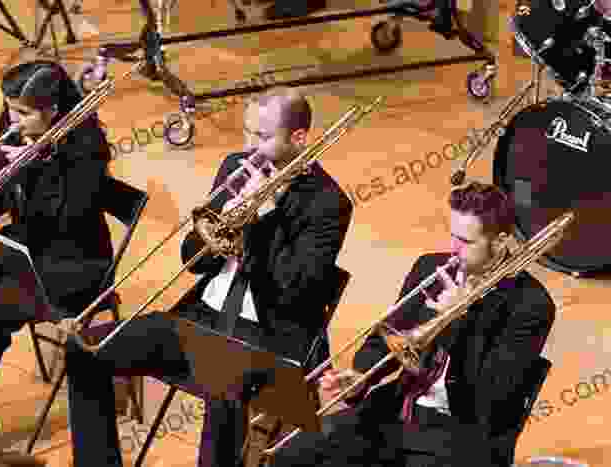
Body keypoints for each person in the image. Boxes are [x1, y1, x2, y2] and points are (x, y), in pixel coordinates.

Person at [62, 86, 353, 467]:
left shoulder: (327, 203)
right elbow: (191, 260)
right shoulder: (237, 167)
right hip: (201, 318)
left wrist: (257, 225)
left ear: (298, 138)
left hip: (264, 333)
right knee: (84, 348)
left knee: (224, 383)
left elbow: (295, 291)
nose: (250, 146)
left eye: (263, 137)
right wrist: (215, 235)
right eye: (247, 132)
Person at [269, 181, 556, 467]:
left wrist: (459, 317)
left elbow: (492, 396)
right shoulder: (431, 267)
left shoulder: (530, 305)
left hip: (459, 432)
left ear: (501, 241)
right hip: (398, 411)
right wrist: (361, 376)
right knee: (293, 455)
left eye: (467, 242)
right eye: (453, 236)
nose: (454, 250)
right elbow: (389, 334)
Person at [0, 60, 113, 452]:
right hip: (20, 250)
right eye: (10, 108)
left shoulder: (86, 150)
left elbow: (67, 220)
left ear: (52, 110)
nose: (12, 120)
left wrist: (31, 165)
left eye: (22, 112)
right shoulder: (12, 134)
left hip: (74, 263)